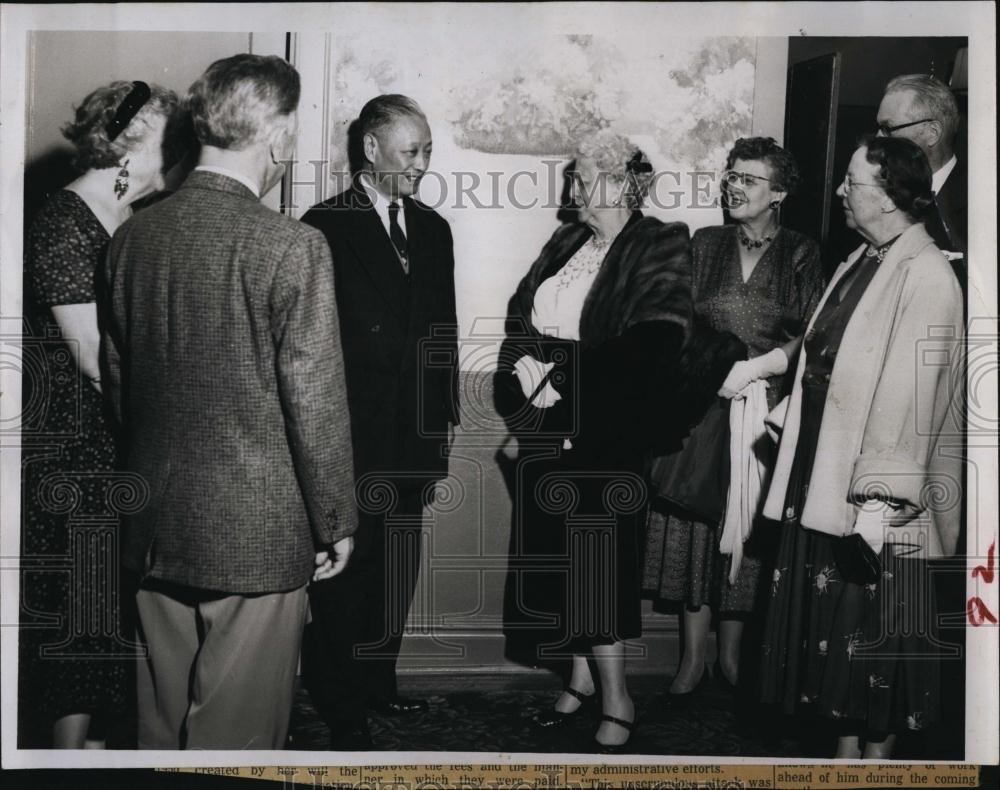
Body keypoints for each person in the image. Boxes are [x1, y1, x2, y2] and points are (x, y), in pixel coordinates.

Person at [101, 54, 357, 750]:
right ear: (276, 139)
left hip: (154, 519)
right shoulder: (292, 245)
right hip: (256, 531)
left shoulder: (131, 238)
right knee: (238, 739)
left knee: (161, 726)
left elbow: (120, 383)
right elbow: (315, 399)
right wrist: (335, 517)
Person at [494, 130, 741, 753]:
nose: (571, 188)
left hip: (607, 432)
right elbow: (518, 319)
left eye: (581, 176)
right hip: (548, 428)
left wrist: (560, 380)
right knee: (557, 561)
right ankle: (578, 678)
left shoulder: (659, 241)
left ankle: (617, 698)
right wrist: (522, 375)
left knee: (596, 567)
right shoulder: (566, 241)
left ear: (616, 183)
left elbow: (654, 343)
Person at [758, 136, 964, 759]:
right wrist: (790, 411)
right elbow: (829, 359)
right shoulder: (864, 259)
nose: (843, 192)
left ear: (891, 196)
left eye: (854, 183)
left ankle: (874, 764)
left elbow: (911, 398)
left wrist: (879, 501)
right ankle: (845, 757)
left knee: (872, 645)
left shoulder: (926, 275)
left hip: (878, 503)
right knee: (835, 642)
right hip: (826, 480)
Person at [19, 79, 178, 749]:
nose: (181, 156)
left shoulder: (130, 217)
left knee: (107, 612)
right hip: (73, 446)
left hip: (117, 441)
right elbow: (90, 355)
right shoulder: (62, 218)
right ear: (129, 144)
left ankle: (92, 750)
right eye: (171, 140)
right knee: (78, 613)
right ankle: (64, 760)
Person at [301, 94, 459, 750]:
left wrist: (443, 417)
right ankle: (341, 705)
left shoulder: (433, 228)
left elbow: (442, 331)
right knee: (351, 568)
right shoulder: (323, 225)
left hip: (414, 436)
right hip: (351, 434)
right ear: (372, 149)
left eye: (427, 151)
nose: (423, 164)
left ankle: (379, 685)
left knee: (397, 565)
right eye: (410, 152)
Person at [643, 138, 823, 704]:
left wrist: (764, 366)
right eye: (732, 175)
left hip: (764, 413)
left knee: (746, 527)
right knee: (696, 526)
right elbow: (677, 319)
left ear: (780, 193)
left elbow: (813, 333)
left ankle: (730, 654)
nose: (734, 186)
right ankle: (694, 658)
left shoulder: (800, 252)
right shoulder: (705, 243)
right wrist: (711, 369)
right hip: (703, 404)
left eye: (748, 178)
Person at [876, 74, 966, 283]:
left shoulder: (980, 204)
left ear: (932, 133)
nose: (878, 138)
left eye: (887, 129)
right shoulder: (878, 194)